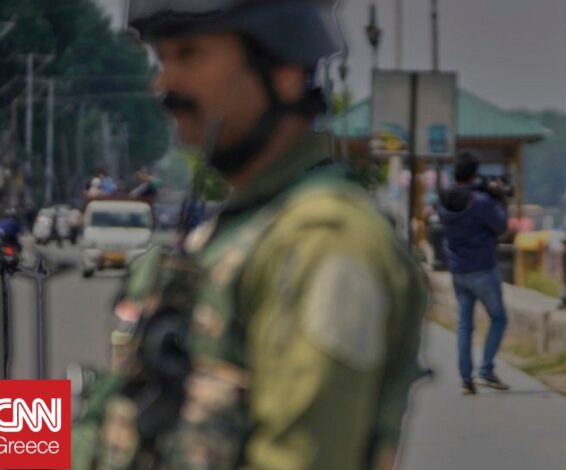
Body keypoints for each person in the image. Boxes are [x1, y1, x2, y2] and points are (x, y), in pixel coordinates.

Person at [71, 1, 428, 469]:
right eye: (163, 59)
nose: (165, 83)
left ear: (283, 71)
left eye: (190, 54)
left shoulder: (323, 242)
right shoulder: (230, 232)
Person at [437, 152, 509, 394]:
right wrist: (498, 197)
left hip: (458, 270)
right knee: (498, 318)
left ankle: (465, 379)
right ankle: (486, 370)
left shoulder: (444, 200)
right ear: (475, 173)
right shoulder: (481, 202)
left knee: (464, 325)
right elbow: (501, 226)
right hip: (483, 269)